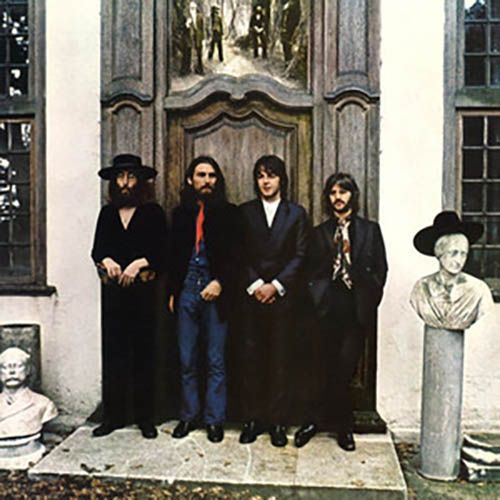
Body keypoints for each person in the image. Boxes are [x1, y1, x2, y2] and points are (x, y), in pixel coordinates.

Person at [294, 172, 387, 451]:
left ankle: (343, 428)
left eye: (343, 192)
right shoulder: (320, 232)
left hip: (355, 309)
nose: (338, 198)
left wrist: (369, 299)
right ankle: (312, 422)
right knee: (319, 367)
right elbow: (308, 271)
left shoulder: (370, 230)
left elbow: (381, 269)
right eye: (333, 193)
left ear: (352, 196)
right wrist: (316, 298)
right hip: (325, 309)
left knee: (344, 368)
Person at [91, 154, 169, 439]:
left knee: (144, 354)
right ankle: (113, 417)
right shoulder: (107, 214)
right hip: (114, 297)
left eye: (131, 177)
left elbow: (163, 250)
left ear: (140, 181)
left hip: (144, 297)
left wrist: (139, 263)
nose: (125, 183)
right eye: (120, 177)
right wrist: (107, 260)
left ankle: (145, 419)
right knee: (114, 354)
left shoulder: (153, 213)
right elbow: (97, 250)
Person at [239, 155, 309, 447]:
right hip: (252, 298)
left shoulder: (296, 213)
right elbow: (238, 253)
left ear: (282, 180)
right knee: (251, 360)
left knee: (281, 361)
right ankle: (252, 420)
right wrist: (257, 285)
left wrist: (276, 286)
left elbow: (301, 254)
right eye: (261, 176)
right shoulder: (245, 212)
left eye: (271, 175)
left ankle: (278, 422)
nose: (266, 181)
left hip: (283, 299)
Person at [169, 156, 240, 443]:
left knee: (215, 359)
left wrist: (221, 282)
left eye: (212, 175)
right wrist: (173, 292)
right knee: (187, 358)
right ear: (191, 180)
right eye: (201, 175)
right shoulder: (180, 214)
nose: (207, 180)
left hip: (215, 289)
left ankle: (214, 419)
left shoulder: (229, 213)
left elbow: (237, 256)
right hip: (187, 288)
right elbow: (173, 255)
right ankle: (188, 416)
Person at [410, 211, 493, 330]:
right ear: (439, 254)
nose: (459, 261)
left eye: (463, 254)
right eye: (453, 253)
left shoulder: (478, 290)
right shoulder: (421, 287)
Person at [0, 347, 57, 438]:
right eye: (5, 367)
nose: (12, 372)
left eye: (18, 366)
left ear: (27, 370)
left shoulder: (43, 404)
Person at [187, 1, 205, 75]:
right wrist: (187, 24)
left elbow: (202, 28)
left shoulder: (200, 16)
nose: (192, 9)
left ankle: (200, 70)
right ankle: (190, 69)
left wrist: (203, 39)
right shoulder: (187, 17)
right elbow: (184, 28)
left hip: (198, 38)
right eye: (191, 8)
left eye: (194, 8)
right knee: (191, 54)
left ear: (196, 8)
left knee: (199, 54)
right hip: (190, 38)